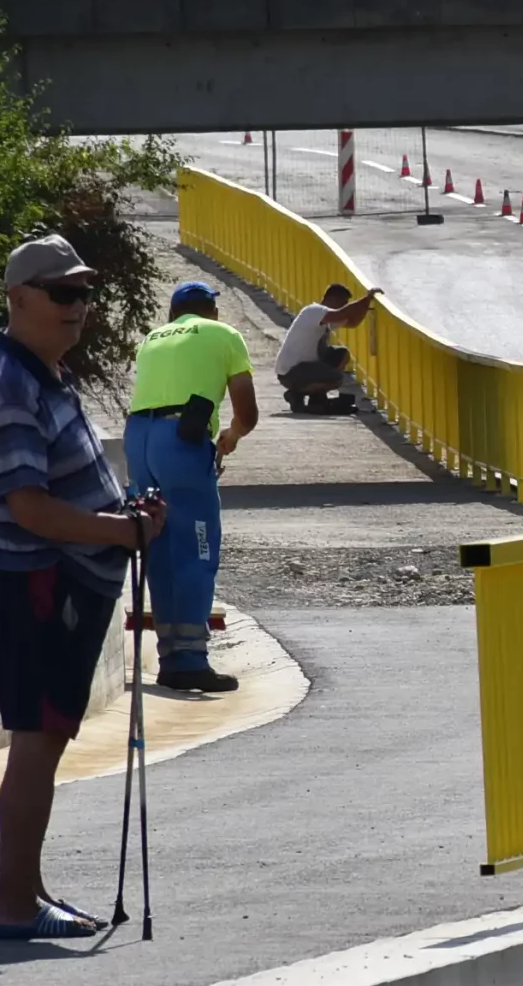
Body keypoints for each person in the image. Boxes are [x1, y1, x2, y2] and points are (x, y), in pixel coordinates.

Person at [0, 234, 167, 941]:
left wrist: (124, 516)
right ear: (19, 298)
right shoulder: (12, 386)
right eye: (63, 293)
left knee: (42, 738)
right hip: (38, 587)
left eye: (83, 292)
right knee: (38, 739)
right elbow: (29, 506)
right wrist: (119, 533)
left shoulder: (43, 373)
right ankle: (14, 904)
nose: (77, 307)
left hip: (54, 584)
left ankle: (29, 892)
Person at [125, 282, 256, 694]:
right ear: (212, 311)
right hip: (181, 439)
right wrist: (230, 438)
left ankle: (170, 656)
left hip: (139, 439)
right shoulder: (224, 335)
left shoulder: (150, 340)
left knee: (159, 544)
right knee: (198, 548)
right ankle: (190, 662)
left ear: (172, 315)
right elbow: (247, 412)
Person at [277, 282, 377, 412]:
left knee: (341, 355)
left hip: (305, 368)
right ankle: (297, 394)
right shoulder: (313, 311)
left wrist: (365, 305)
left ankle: (316, 398)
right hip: (291, 372)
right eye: (343, 303)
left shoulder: (325, 319)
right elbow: (341, 314)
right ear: (332, 299)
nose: (344, 306)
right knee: (335, 378)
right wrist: (366, 298)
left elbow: (352, 323)